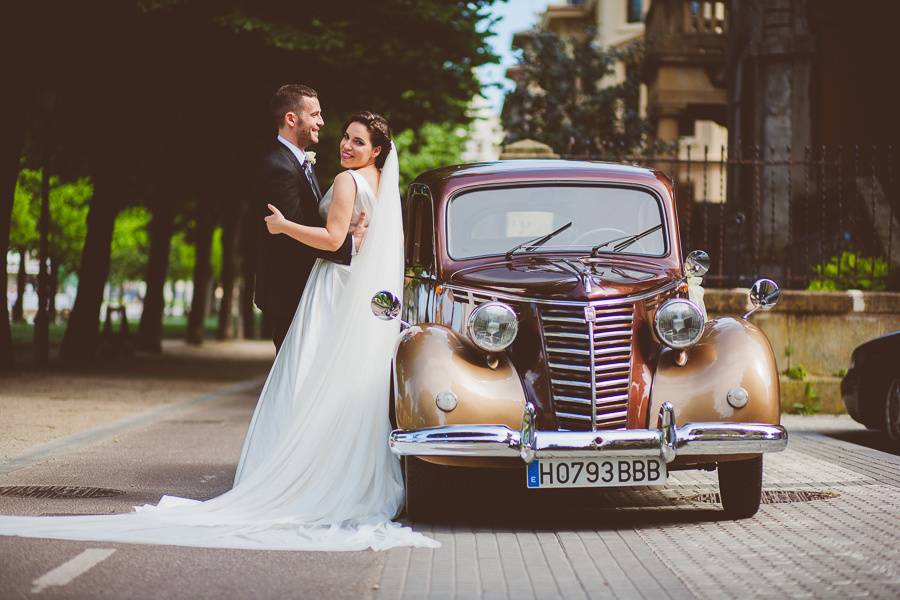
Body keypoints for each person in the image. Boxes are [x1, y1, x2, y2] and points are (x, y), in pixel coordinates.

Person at [0, 107, 438, 552]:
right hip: (355, 296)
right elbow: (356, 240)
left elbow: (330, 240)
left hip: (331, 290)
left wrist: (284, 226)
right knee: (334, 383)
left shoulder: (347, 181)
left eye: (358, 141)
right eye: (345, 136)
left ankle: (298, 471)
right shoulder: (382, 186)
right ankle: (341, 473)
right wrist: (351, 239)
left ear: (378, 150)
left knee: (305, 381)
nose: (345, 144)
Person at [255, 84, 367, 351]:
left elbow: (305, 220)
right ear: (292, 119)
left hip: (302, 286)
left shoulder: (297, 161)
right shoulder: (279, 167)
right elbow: (290, 235)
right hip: (289, 290)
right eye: (315, 114)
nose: (321, 122)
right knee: (294, 373)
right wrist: (349, 245)